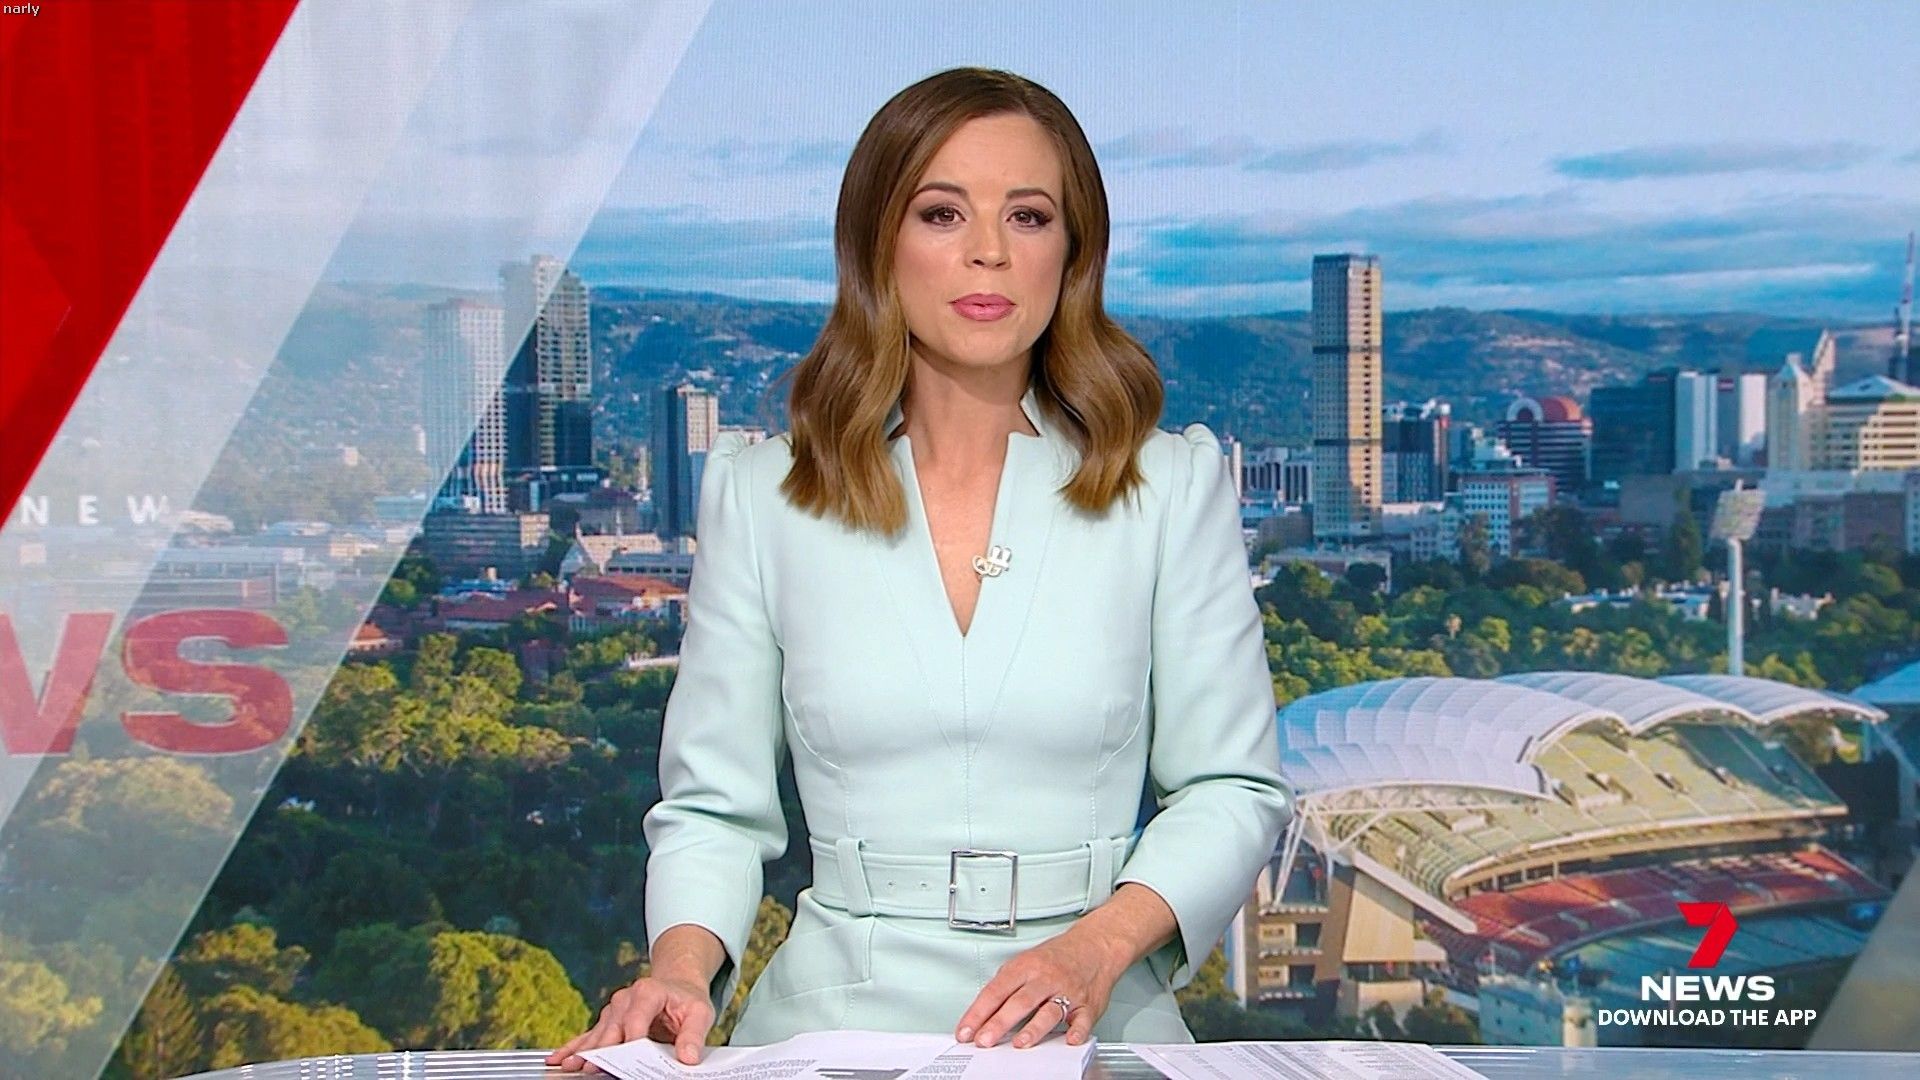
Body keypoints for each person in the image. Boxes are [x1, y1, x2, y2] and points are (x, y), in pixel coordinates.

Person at [549, 66, 1292, 1071]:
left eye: (1028, 216)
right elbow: (713, 807)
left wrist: (1097, 949)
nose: (990, 250)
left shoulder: (1168, 488)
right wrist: (681, 971)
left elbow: (1230, 787)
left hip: (1095, 1020)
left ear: (1072, 253)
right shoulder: (764, 497)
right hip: (831, 1022)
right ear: (877, 245)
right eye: (942, 213)